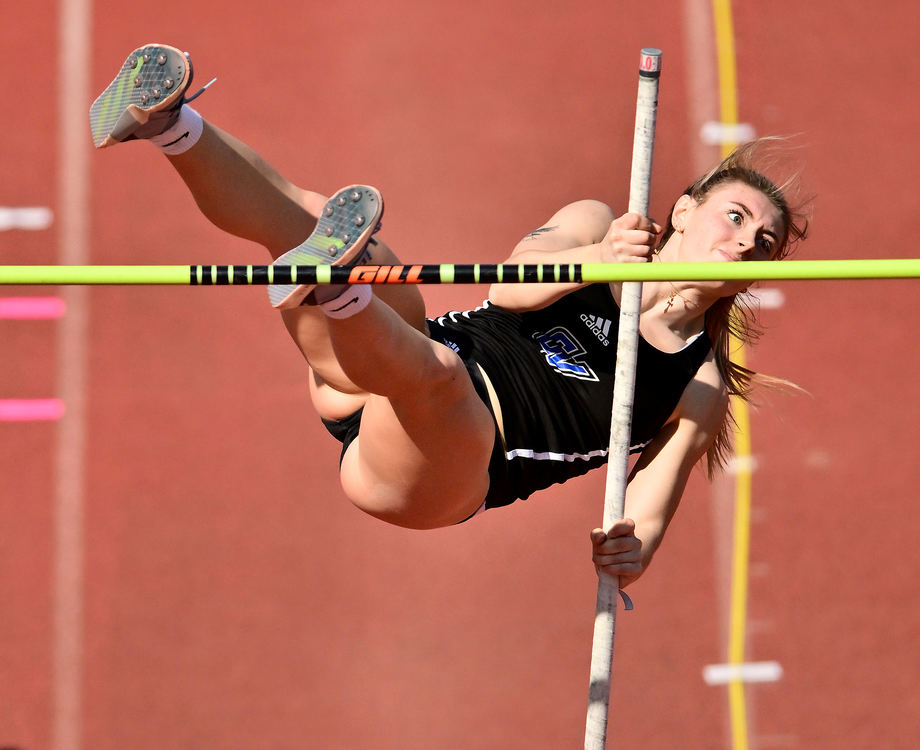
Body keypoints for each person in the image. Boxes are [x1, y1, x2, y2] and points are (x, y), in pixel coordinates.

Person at [90, 44, 807, 588]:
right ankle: (169, 124)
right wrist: (598, 257)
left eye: (761, 243)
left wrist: (631, 549)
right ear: (684, 210)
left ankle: (337, 290)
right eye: (734, 217)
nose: (742, 242)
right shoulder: (594, 223)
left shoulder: (699, 380)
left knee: (434, 373)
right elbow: (514, 289)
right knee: (321, 226)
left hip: (443, 466)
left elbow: (651, 500)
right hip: (383, 369)